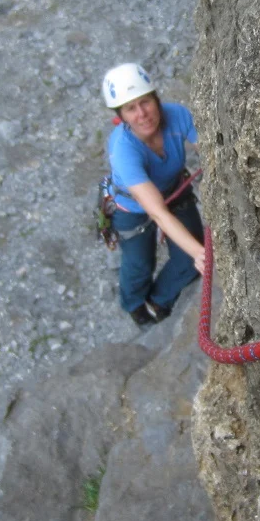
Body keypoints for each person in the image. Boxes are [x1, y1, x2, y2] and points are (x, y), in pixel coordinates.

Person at [101, 62, 204, 327]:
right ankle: (134, 305)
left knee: (188, 257)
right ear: (120, 116)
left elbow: (210, 148)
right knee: (138, 264)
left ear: (156, 99)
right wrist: (200, 254)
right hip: (131, 209)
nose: (142, 114)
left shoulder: (178, 116)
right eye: (130, 108)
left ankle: (160, 299)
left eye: (145, 102)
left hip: (175, 192)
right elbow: (156, 211)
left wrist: (196, 253)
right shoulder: (124, 149)